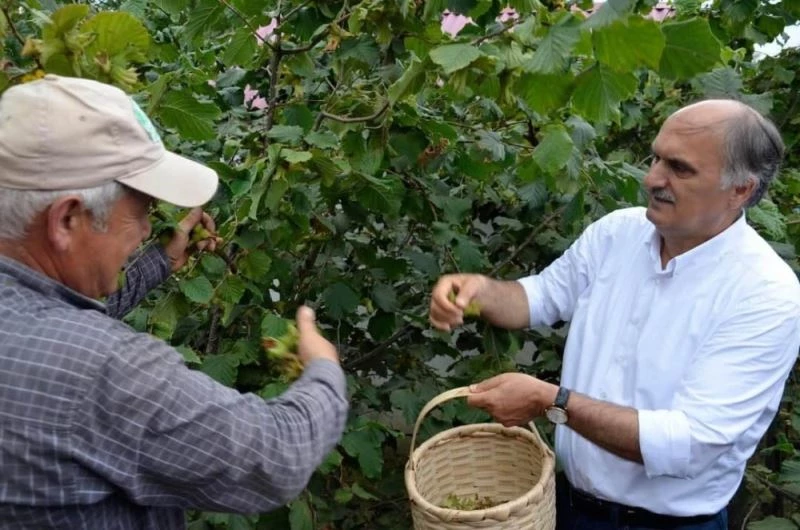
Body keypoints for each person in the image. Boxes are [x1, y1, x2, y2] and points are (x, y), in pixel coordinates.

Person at [429, 99, 800, 529]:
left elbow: (687, 444)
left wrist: (552, 402)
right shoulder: (618, 233)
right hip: (567, 508)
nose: (652, 178)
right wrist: (477, 294)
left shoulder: (766, 294)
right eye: (657, 157)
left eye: (680, 169)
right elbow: (541, 297)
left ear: (741, 190)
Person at [0, 75, 348, 529]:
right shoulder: (104, 370)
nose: (146, 229)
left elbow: (55, 315)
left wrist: (161, 260)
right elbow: (277, 457)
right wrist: (324, 371)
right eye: (141, 210)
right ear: (66, 219)